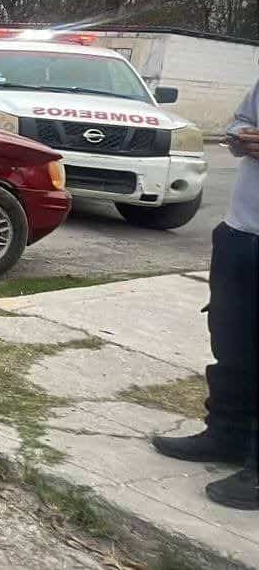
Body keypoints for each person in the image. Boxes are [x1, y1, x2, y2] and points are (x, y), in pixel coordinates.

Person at [150, 81, 259, 511]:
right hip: (240, 231)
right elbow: (239, 124)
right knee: (230, 342)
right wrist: (240, 137)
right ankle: (226, 435)